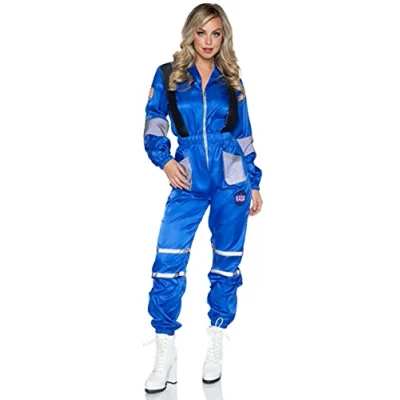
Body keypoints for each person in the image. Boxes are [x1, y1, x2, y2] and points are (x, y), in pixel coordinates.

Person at [142, 3, 263, 394]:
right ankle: (166, 349)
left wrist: (254, 181)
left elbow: (244, 135)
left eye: (216, 33)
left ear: (223, 37)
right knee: (167, 261)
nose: (208, 41)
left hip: (232, 179)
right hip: (189, 177)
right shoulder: (168, 75)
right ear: (190, 33)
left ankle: (216, 340)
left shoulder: (232, 79)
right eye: (201, 32)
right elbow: (154, 122)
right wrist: (164, 161)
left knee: (227, 264)